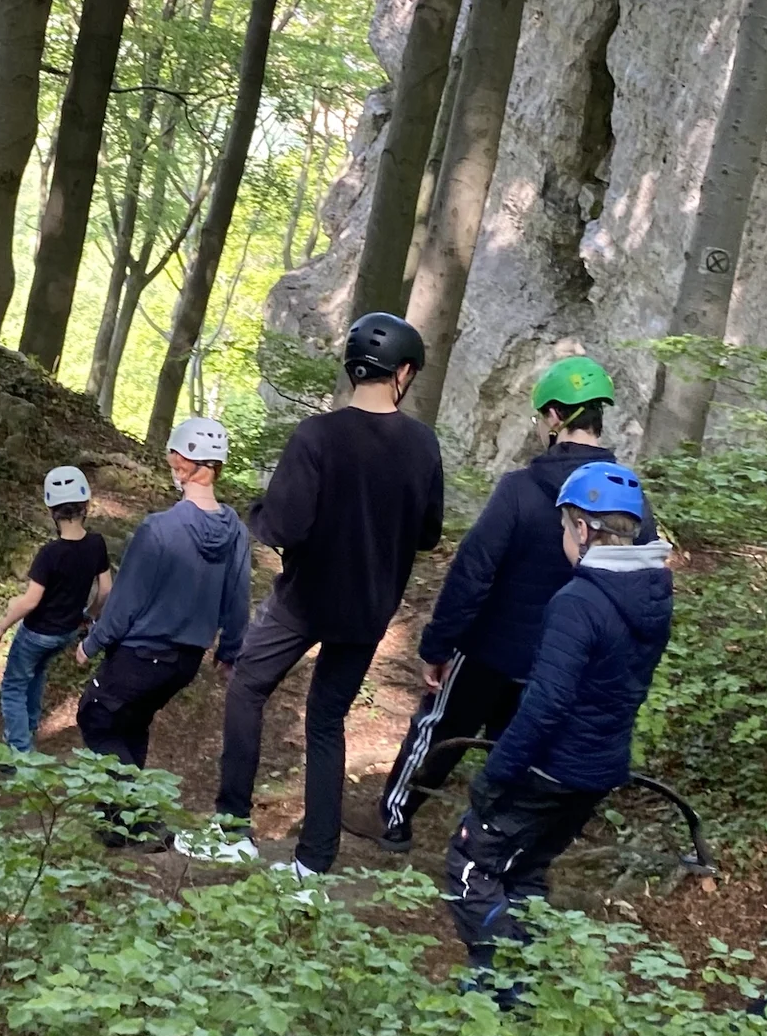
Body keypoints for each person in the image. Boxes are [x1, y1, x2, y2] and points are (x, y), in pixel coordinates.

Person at [203, 311, 443, 878]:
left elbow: (281, 526)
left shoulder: (317, 436)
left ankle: (233, 828)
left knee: (247, 688)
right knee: (327, 719)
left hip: (304, 598)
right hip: (369, 607)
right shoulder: (422, 444)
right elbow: (429, 534)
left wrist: (263, 512)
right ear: (404, 372)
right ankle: (313, 863)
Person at [383, 353, 640, 854]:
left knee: (439, 730)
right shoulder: (628, 502)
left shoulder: (520, 490)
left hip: (487, 649)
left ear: (552, 417)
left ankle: (396, 817)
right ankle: (492, 840)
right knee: (519, 749)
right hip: (560, 665)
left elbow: (473, 571)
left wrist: (438, 643)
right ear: (598, 418)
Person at [444, 461, 672, 979]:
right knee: (524, 869)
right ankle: (531, 987)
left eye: (565, 525)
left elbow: (545, 705)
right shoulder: (652, 594)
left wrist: (495, 776)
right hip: (599, 768)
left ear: (585, 530)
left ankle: (506, 987)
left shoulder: (579, 601)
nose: (562, 536)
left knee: (470, 867)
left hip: (552, 769)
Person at [75, 417, 249, 789]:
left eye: (173, 456)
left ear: (184, 463)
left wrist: (91, 644)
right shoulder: (234, 529)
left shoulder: (159, 529)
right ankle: (120, 829)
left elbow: (125, 601)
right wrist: (229, 651)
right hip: (185, 661)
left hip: (141, 654)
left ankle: (142, 814)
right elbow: (237, 597)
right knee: (131, 723)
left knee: (96, 717)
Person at [0, 467, 112, 751]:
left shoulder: (50, 554)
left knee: (13, 687)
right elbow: (106, 589)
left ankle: (21, 753)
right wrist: (89, 615)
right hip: (67, 632)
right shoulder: (96, 544)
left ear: (51, 509)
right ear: (86, 505)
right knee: (37, 674)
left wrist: (0, 626)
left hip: (36, 633)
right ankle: (29, 729)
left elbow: (30, 601)